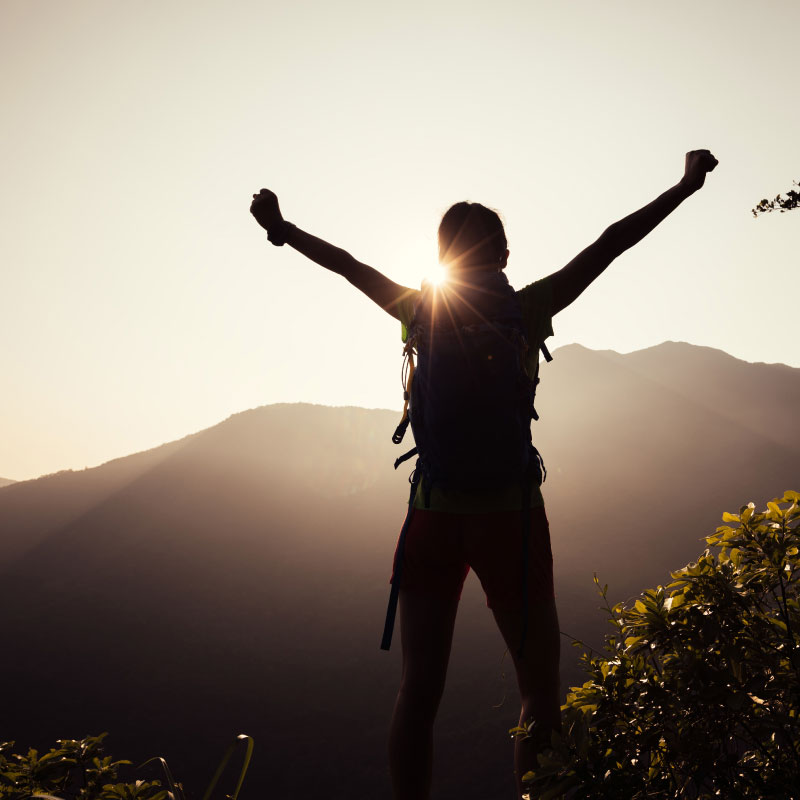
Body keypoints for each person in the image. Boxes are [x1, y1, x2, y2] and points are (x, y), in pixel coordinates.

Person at [250, 149, 718, 800]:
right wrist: (685, 186)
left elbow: (348, 266)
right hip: (511, 516)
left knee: (418, 690)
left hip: (432, 514)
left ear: (442, 257)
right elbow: (613, 242)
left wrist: (283, 228)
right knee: (538, 692)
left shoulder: (416, 310)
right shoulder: (527, 310)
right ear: (502, 255)